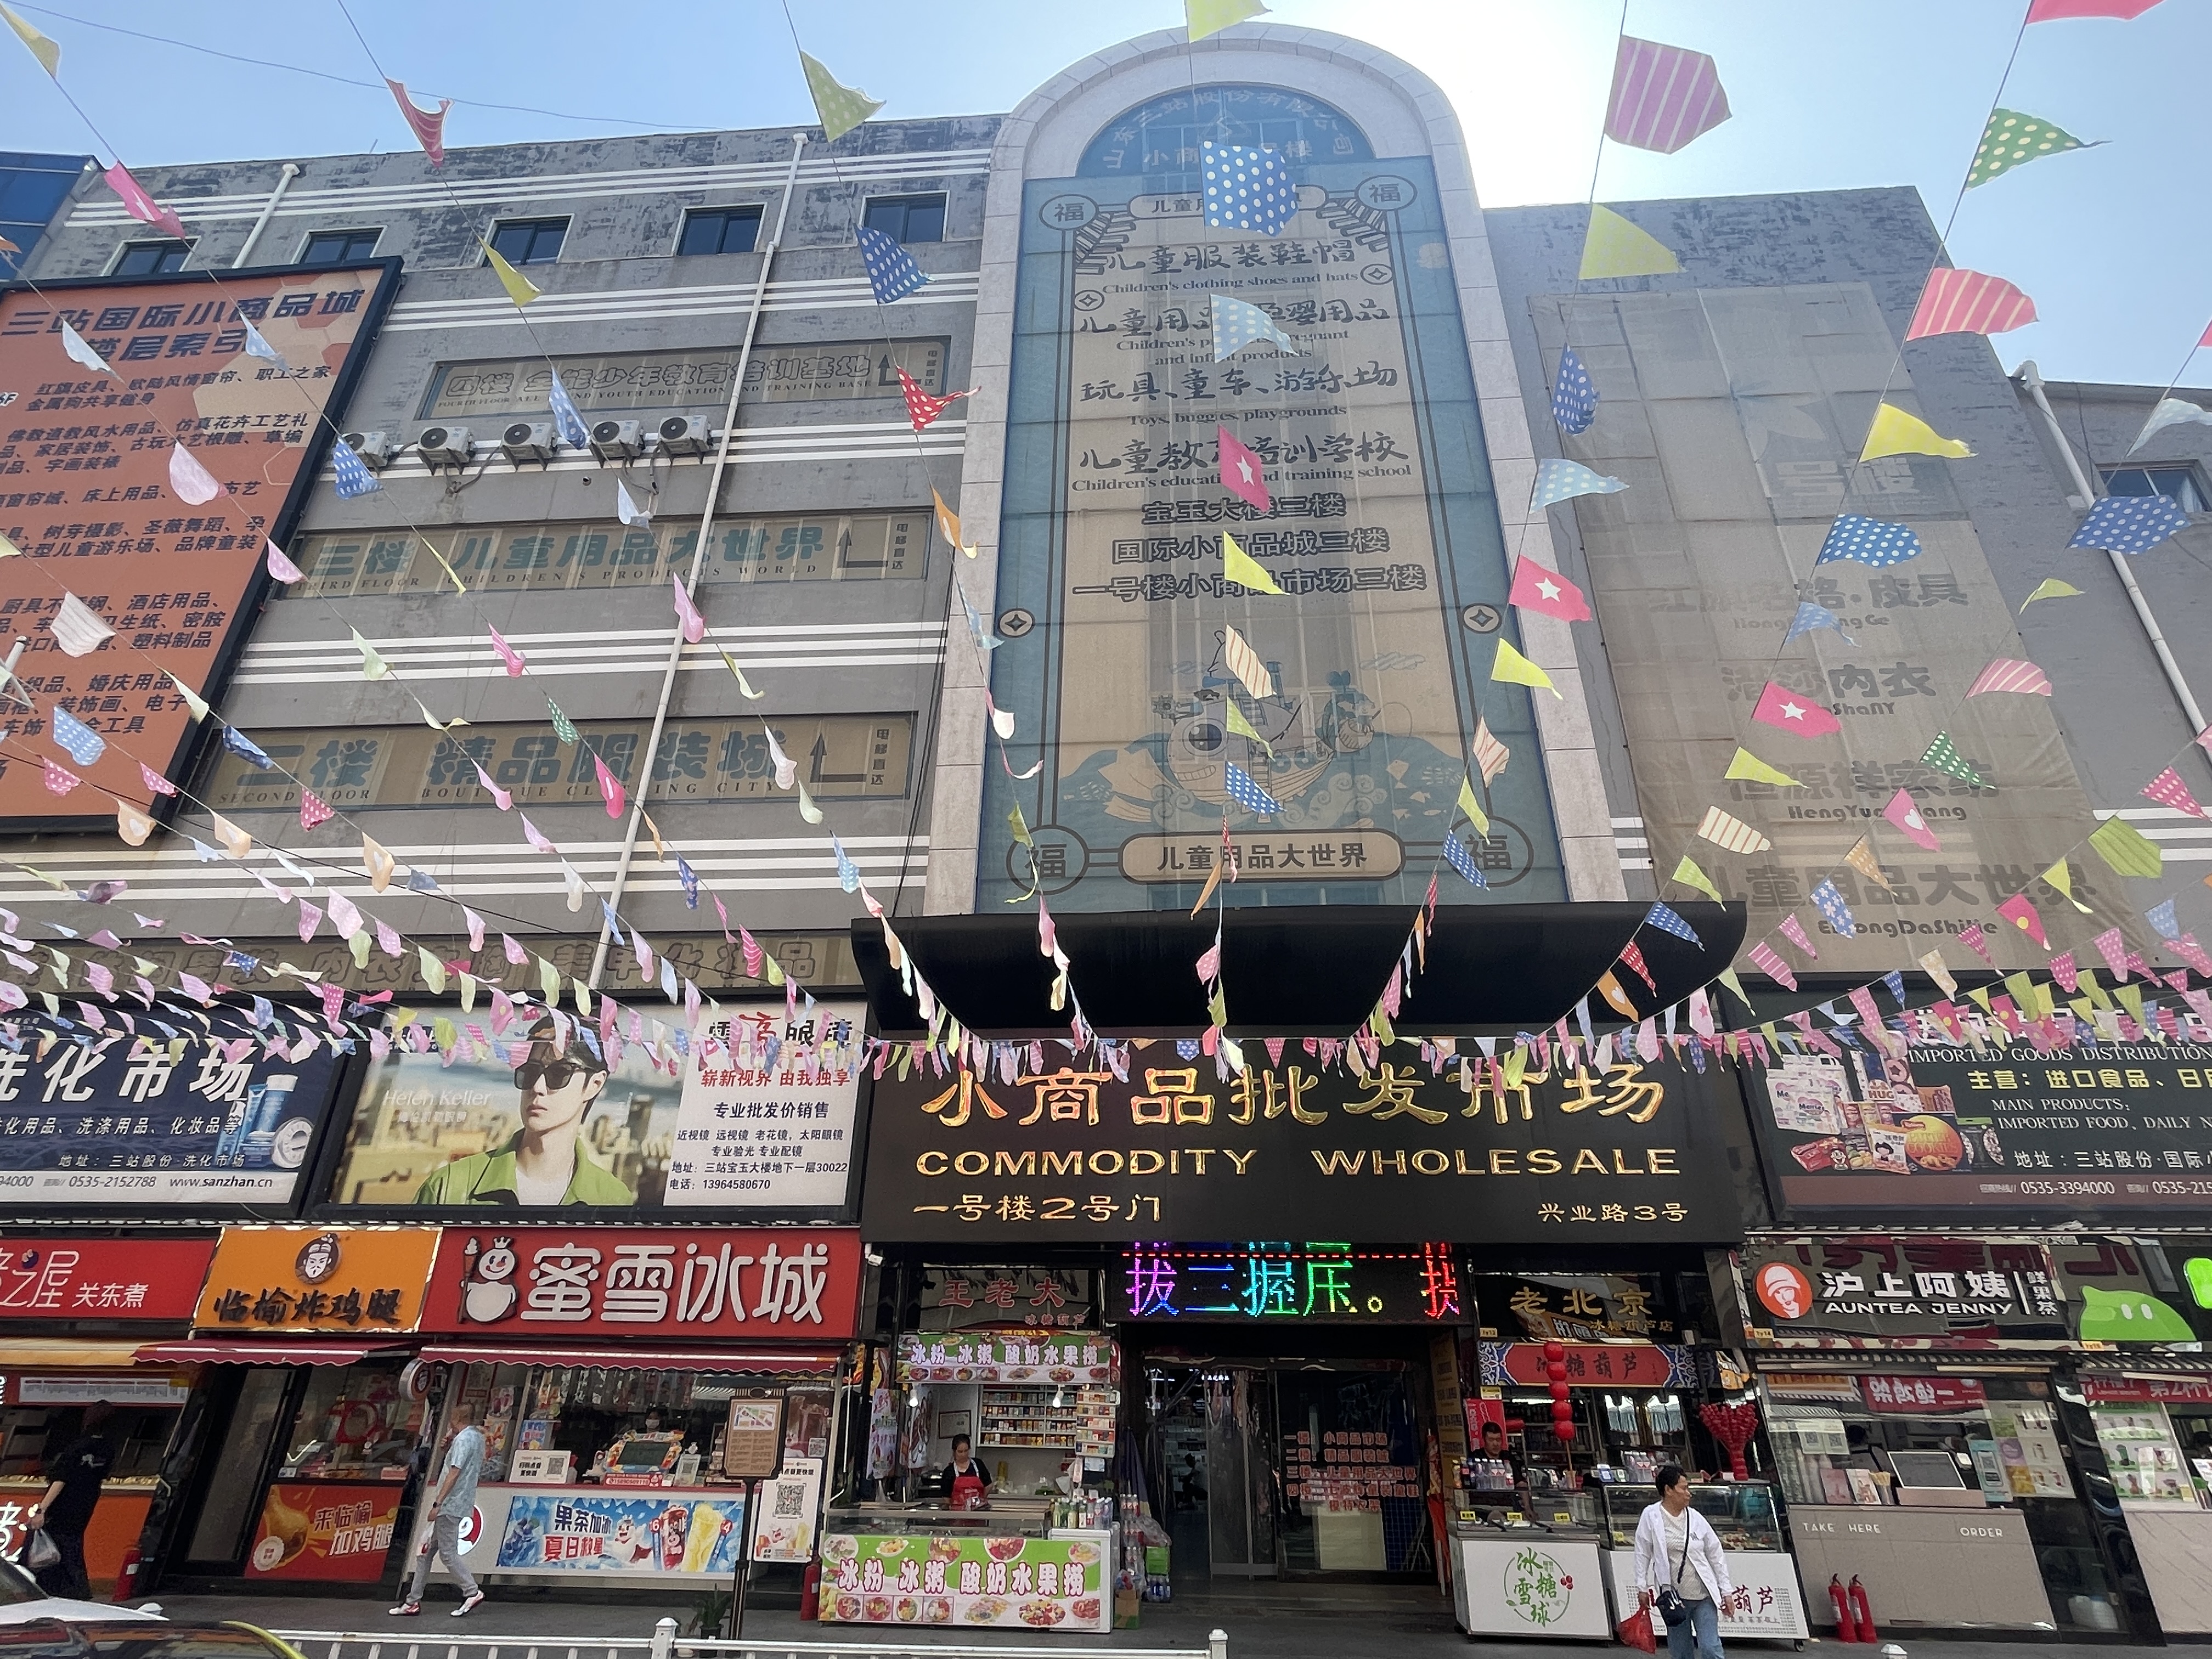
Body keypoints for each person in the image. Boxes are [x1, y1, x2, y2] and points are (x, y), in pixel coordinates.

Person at [412, 1019, 633, 1206]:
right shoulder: (449, 1186)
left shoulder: (613, 1199)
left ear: (595, 1085)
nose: (537, 1087)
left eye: (559, 1074)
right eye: (530, 1072)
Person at [391, 1402, 487, 1618]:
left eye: (452, 1417)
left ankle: (472, 1591)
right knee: (425, 1553)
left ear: (457, 1418)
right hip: (460, 1501)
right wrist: (449, 1446)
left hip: (450, 1504)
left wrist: (438, 1503)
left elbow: (454, 1472)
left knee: (448, 1553)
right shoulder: (476, 1437)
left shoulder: (462, 1440)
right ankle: (412, 1601)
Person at [1635, 1465, 1733, 1659]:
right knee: (1681, 1652)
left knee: (1711, 1648)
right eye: (1684, 1488)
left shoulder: (1696, 1518)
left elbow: (1715, 1553)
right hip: (1674, 1599)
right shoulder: (1651, 1516)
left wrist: (1726, 1591)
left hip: (1703, 1596)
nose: (1689, 1493)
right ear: (1668, 1490)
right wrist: (1642, 1587)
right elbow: (1642, 1552)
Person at [27, 1403, 114, 1600]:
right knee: (71, 1547)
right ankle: (76, 1590)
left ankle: (58, 1590)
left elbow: (61, 1479)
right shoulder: (108, 1449)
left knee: (50, 1550)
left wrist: (42, 1509)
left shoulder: (78, 1447)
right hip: (85, 1505)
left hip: (62, 1506)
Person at [938, 1435, 992, 1503]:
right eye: (960, 1452)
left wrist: (982, 1499)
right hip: (957, 1509)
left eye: (966, 1451)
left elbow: (989, 1485)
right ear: (954, 1451)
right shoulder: (949, 1471)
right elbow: (946, 1497)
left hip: (978, 1508)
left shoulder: (978, 1464)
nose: (963, 1455)